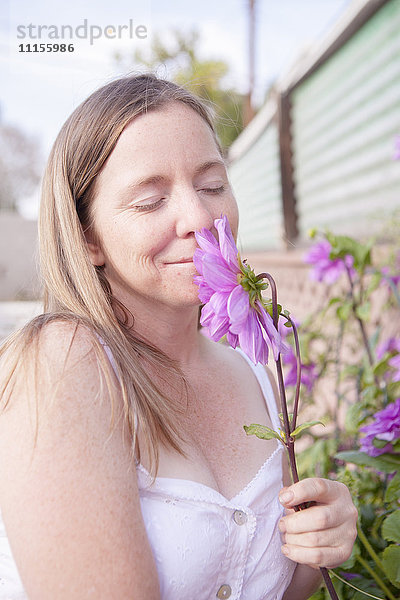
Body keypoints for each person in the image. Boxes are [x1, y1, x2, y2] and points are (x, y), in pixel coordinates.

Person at [0, 73, 357, 600]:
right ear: (87, 237)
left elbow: (273, 588)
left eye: (213, 186)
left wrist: (322, 543)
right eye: (150, 201)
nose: (200, 217)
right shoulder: (63, 364)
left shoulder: (253, 365)